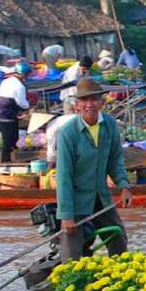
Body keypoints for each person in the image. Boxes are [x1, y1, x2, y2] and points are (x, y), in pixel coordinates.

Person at [55, 79, 131, 262]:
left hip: (100, 196)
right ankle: (67, 285)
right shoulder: (68, 133)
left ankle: (119, 277)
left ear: (102, 102)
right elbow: (64, 176)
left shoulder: (110, 125)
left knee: (118, 239)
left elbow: (115, 160)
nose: (89, 104)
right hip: (76, 200)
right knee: (72, 253)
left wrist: (124, 185)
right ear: (77, 105)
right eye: (84, 100)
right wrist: (66, 215)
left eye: (94, 99)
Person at [0, 61, 32, 163]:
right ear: (23, 74)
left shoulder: (7, 81)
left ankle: (15, 154)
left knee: (14, 135)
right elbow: (21, 103)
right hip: (5, 113)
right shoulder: (19, 86)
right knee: (8, 139)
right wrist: (29, 106)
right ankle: (5, 160)